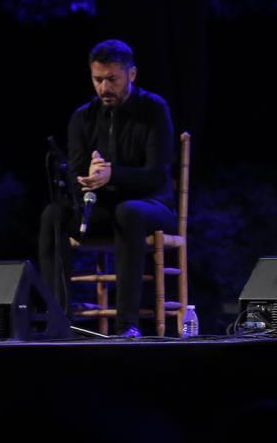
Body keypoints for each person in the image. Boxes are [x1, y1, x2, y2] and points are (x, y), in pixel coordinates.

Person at [38, 39, 176, 337]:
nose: (104, 88)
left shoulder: (153, 109)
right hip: (101, 207)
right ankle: (58, 319)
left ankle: (127, 325)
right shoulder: (83, 117)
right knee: (53, 215)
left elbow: (157, 174)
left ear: (132, 75)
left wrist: (113, 175)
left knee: (129, 212)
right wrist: (85, 179)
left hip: (152, 205)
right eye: (98, 80)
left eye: (112, 79)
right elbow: (74, 173)